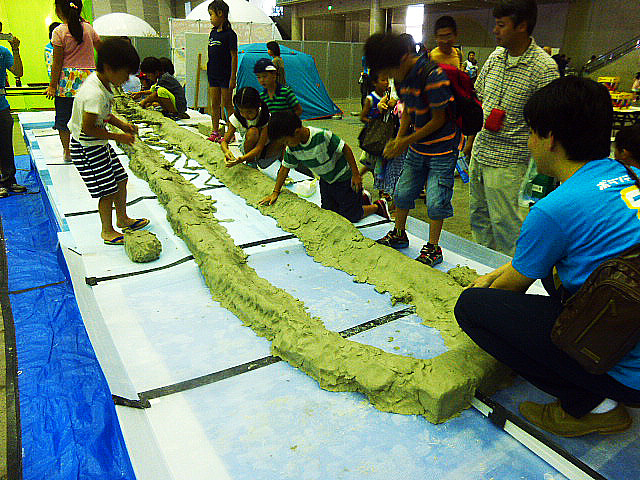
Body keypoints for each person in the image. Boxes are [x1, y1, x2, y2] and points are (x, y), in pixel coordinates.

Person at [455, 76, 640, 438]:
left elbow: (510, 289)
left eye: (531, 134)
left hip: (628, 372)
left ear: (549, 138)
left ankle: (591, 405)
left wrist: (487, 284)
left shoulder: (555, 209)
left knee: (473, 307)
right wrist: (505, 271)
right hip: (630, 308)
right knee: (551, 269)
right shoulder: (630, 173)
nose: (529, 143)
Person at [469, 0, 559, 256]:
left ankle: (507, 287)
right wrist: (469, 141)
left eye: (501, 25)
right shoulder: (496, 57)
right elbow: (479, 98)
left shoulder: (543, 68)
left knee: (507, 226)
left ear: (522, 26)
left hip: (510, 163)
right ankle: (481, 268)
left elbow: (548, 123)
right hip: (481, 152)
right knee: (479, 219)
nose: (495, 31)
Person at [364, 32, 460, 267]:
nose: (390, 77)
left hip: (442, 149)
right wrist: (399, 138)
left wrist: (405, 141)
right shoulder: (402, 77)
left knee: (437, 200)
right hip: (417, 147)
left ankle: (434, 247)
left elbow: (438, 120)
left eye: (390, 71)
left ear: (405, 56)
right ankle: (399, 233)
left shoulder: (433, 76)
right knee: (403, 192)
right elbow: (407, 109)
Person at [68, 38, 149, 245]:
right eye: (125, 73)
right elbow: (88, 128)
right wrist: (118, 137)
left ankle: (122, 218)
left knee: (121, 179)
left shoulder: (104, 84)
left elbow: (105, 115)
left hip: (98, 145)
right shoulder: (94, 93)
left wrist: (123, 125)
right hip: (86, 148)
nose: (127, 78)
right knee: (107, 190)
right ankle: (107, 230)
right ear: (109, 68)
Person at [259, 110, 390, 222]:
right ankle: (360, 199)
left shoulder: (321, 136)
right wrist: (275, 192)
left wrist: (356, 174)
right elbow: (284, 169)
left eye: (286, 141)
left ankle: (378, 206)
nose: (285, 145)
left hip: (343, 178)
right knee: (329, 213)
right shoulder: (292, 148)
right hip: (326, 180)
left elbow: (345, 148)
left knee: (350, 216)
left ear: (297, 132)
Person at [46, 0, 101, 163]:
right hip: (88, 81)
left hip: (66, 83)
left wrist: (52, 85)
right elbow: (102, 49)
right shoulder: (89, 29)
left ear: (58, 10)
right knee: (88, 116)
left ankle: (67, 151)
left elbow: (57, 62)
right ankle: (88, 148)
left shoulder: (59, 31)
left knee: (63, 118)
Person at [220, 86, 282, 169]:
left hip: (263, 148)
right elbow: (224, 141)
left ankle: (281, 167)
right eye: (242, 111)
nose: (246, 115)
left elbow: (259, 147)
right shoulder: (237, 117)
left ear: (258, 106)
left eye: (249, 112)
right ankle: (250, 162)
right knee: (253, 132)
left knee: (281, 136)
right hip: (248, 147)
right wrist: (226, 151)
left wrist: (240, 160)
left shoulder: (265, 116)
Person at [359, 71, 394, 198]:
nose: (386, 83)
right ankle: (381, 189)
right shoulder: (370, 99)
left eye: (387, 80)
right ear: (375, 83)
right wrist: (374, 121)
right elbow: (362, 117)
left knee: (376, 164)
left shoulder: (388, 97)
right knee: (373, 163)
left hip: (384, 137)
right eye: (383, 80)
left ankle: (379, 186)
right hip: (374, 137)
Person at [206, 0, 237, 143]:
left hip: (225, 75)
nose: (210, 18)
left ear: (220, 13)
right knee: (214, 104)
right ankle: (215, 131)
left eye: (211, 14)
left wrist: (233, 77)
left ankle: (231, 133)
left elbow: (233, 56)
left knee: (227, 104)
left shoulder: (230, 34)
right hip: (213, 74)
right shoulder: (212, 33)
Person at [0, 34, 27, 198]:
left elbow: (18, 72)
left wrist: (15, 50)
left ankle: (9, 180)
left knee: (6, 145)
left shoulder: (3, 52)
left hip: (2, 105)